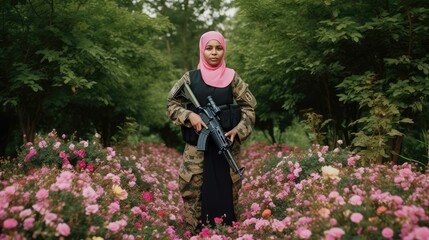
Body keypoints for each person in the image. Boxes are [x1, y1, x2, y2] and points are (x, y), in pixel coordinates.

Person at [166, 31, 256, 233]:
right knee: (194, 192)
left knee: (227, 194)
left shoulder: (233, 77)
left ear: (224, 50)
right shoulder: (190, 78)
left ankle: (226, 234)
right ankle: (196, 234)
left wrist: (237, 130)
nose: (214, 53)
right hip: (196, 152)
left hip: (226, 148)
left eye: (219, 48)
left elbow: (249, 109)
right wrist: (189, 116)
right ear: (202, 50)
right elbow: (171, 103)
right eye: (209, 48)